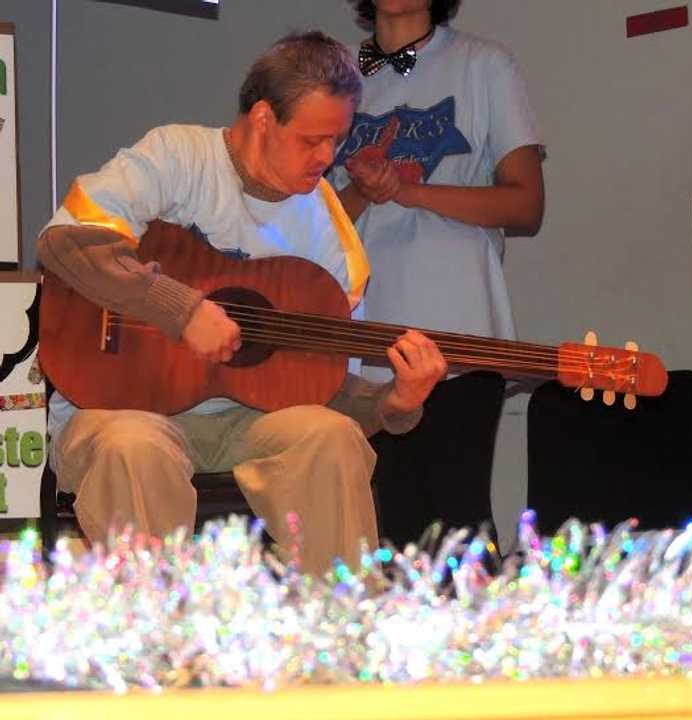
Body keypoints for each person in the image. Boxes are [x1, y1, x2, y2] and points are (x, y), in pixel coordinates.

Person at [36, 31, 447, 576]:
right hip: (118, 402)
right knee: (133, 446)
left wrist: (395, 404)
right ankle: (161, 646)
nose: (328, 158)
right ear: (261, 119)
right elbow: (65, 242)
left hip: (247, 422)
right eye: (312, 140)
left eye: (337, 140)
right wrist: (178, 309)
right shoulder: (177, 156)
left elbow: (325, 388)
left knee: (331, 437)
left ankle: (337, 632)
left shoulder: (329, 230)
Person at [328, 0, 545, 549]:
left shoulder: (484, 63)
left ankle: (480, 635)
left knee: (458, 521)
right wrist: (361, 190)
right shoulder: (329, 79)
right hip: (358, 339)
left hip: (460, 328)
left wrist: (409, 191)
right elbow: (302, 235)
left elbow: (525, 205)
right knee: (387, 528)